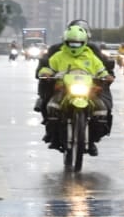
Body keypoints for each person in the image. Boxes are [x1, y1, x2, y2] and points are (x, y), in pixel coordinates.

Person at [37, 26, 115, 155]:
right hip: (63, 90)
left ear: (84, 42)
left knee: (102, 111)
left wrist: (106, 77)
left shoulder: (91, 56)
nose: (74, 46)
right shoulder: (58, 55)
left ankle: (91, 142)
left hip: (88, 91)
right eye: (71, 43)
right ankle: (55, 138)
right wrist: (45, 73)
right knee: (52, 107)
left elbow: (102, 71)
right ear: (65, 42)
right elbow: (49, 68)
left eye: (77, 43)